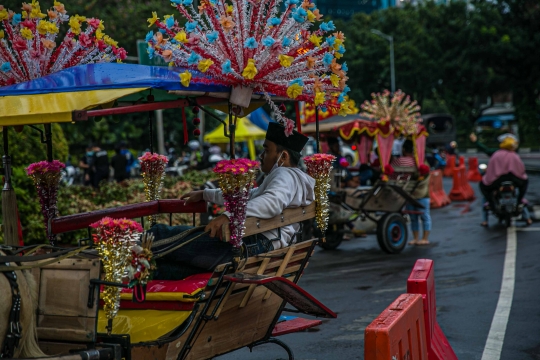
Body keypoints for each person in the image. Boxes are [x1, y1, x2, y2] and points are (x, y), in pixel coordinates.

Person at [149, 122, 315, 280]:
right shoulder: (295, 178)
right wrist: (206, 194)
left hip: (252, 244)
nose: (261, 155)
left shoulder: (283, 174)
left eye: (266, 150)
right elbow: (249, 195)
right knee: (166, 267)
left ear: (283, 156)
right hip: (260, 244)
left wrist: (230, 216)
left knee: (158, 234)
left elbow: (271, 202)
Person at [478, 134, 531, 226]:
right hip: (514, 180)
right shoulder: (514, 156)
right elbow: (521, 171)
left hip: (497, 181)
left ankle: (488, 212)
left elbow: (490, 172)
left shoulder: (496, 155)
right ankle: (524, 212)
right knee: (523, 188)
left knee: (483, 186)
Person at [391, 139, 431, 246]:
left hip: (418, 194)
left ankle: (425, 238)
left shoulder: (422, 164)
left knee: (424, 217)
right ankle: (416, 238)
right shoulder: (417, 163)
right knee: (414, 218)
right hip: (410, 194)